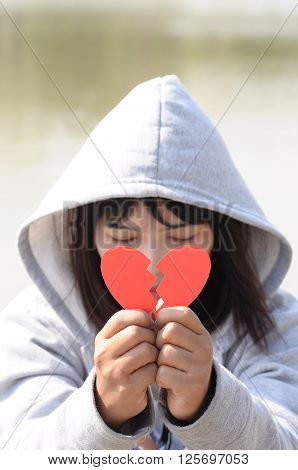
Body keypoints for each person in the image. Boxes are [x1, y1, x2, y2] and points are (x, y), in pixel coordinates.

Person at [0, 74, 297, 450]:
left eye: (183, 238)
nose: (153, 263)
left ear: (223, 238)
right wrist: (102, 412)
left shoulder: (276, 327)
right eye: (124, 238)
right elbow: (15, 450)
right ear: (87, 239)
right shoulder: (36, 328)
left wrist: (210, 402)